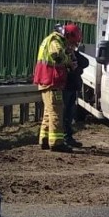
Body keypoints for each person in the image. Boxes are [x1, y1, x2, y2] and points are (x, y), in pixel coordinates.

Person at [33, 23, 81, 151]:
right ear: (68, 36)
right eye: (72, 41)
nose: (72, 44)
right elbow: (57, 55)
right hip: (51, 80)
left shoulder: (52, 40)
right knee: (56, 112)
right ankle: (57, 142)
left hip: (47, 80)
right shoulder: (55, 41)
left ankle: (44, 139)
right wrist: (69, 61)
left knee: (49, 112)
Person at [60, 24, 87, 148]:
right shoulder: (62, 50)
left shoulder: (71, 51)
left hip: (71, 86)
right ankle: (65, 137)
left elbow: (84, 62)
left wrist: (77, 68)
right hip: (65, 86)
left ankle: (68, 137)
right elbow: (71, 67)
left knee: (69, 113)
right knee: (65, 113)